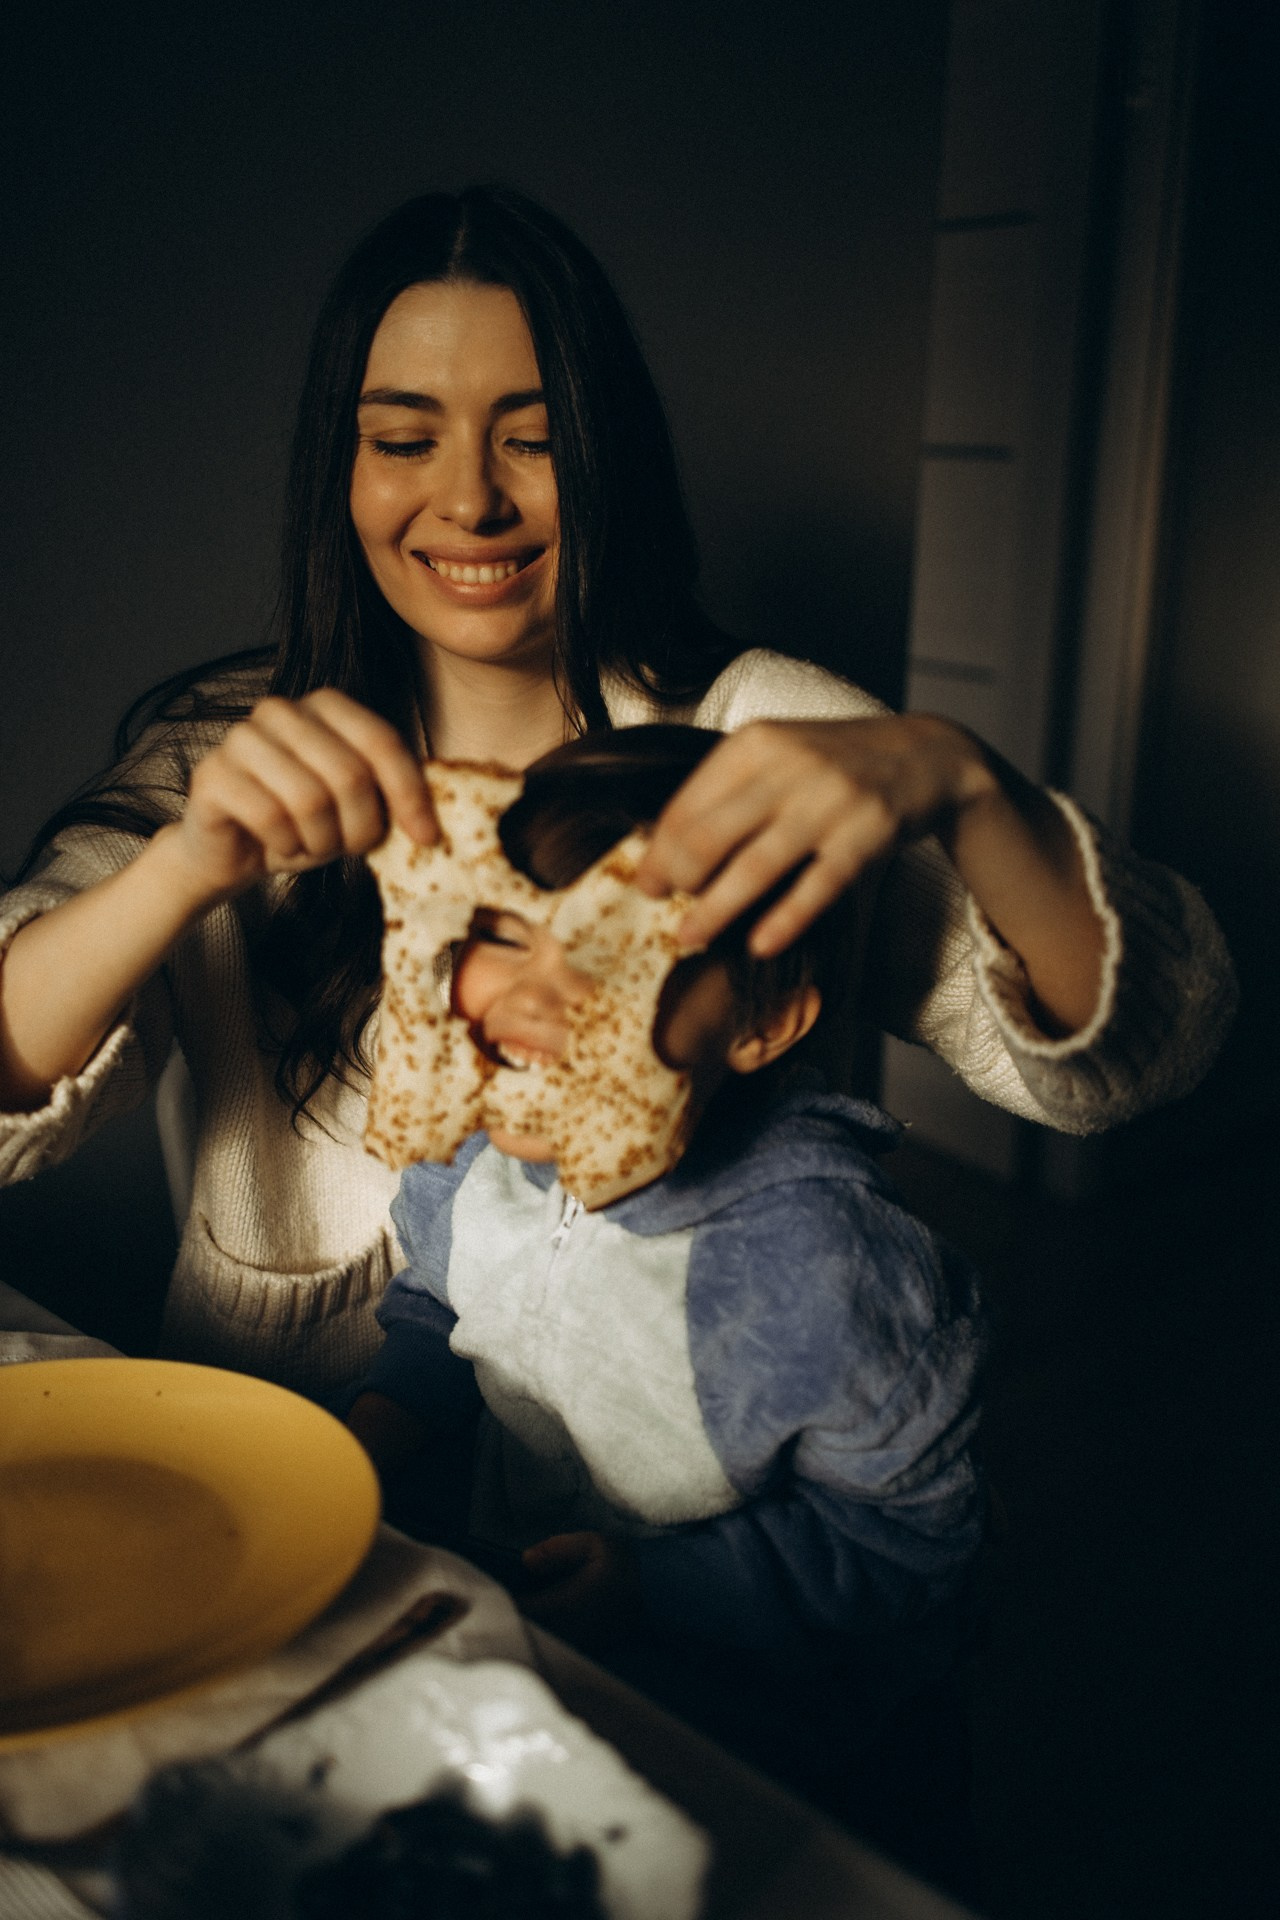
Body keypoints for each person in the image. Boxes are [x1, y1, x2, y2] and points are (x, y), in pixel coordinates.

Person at [0, 186, 1234, 1397]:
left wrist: (967, 787)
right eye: (403, 439)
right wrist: (183, 867)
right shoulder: (232, 755)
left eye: (531, 440)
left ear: (605, 460)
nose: (471, 497)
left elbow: (1152, 1053)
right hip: (290, 1444)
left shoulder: (751, 737)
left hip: (659, 1517)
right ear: (343, 472)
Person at [345, 724, 987, 1881]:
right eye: (505, 932)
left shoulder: (826, 1273)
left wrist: (656, 1588)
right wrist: (373, 1432)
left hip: (758, 1724)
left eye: (620, 958)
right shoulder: (469, 1154)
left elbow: (900, 1548)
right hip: (522, 1644)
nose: (538, 999)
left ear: (761, 1019)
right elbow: (442, 1311)